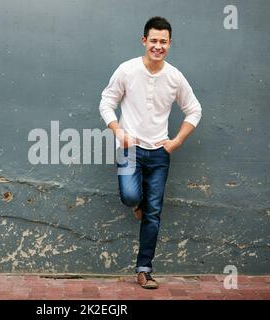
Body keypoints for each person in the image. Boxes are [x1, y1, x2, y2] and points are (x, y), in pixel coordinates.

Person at [99, 16, 202, 289]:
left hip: (159, 153)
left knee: (154, 214)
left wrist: (176, 141)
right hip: (129, 148)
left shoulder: (175, 77)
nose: (158, 46)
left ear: (170, 44)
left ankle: (144, 269)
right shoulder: (127, 70)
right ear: (144, 41)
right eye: (153, 40)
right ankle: (137, 203)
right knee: (131, 195)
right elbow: (106, 102)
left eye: (163, 41)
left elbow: (194, 109)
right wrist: (118, 131)